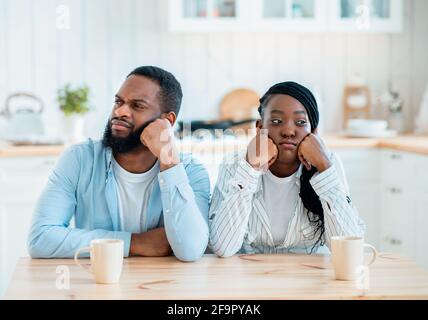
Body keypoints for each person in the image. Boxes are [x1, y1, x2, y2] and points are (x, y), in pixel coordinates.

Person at [28, 66, 210, 261]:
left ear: (166, 120)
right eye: (118, 101)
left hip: (164, 286)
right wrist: (135, 242)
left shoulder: (191, 172)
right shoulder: (79, 160)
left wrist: (169, 161)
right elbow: (41, 239)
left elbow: (191, 250)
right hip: (97, 283)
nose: (120, 111)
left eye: (137, 105)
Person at [209, 81, 365, 257]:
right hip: (251, 279)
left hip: (311, 278)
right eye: (276, 121)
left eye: (300, 122)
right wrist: (250, 169)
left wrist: (324, 167)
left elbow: (349, 252)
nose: (289, 131)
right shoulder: (234, 164)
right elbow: (222, 247)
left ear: (313, 133)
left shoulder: (329, 164)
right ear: (259, 128)